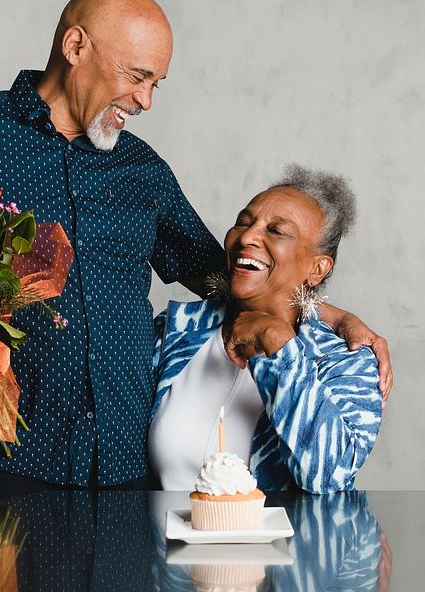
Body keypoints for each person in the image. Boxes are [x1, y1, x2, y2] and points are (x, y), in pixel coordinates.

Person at [0, 0, 390, 491]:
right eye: (138, 77)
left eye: (157, 82)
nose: (146, 100)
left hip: (125, 464)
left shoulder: (144, 170)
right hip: (2, 456)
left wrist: (331, 314)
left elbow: (224, 276)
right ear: (75, 47)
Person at [149, 166, 382, 492]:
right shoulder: (175, 331)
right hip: (161, 541)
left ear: (317, 268)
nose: (246, 237)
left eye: (276, 230)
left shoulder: (348, 362)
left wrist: (278, 344)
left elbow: (330, 477)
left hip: (277, 545)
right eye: (244, 222)